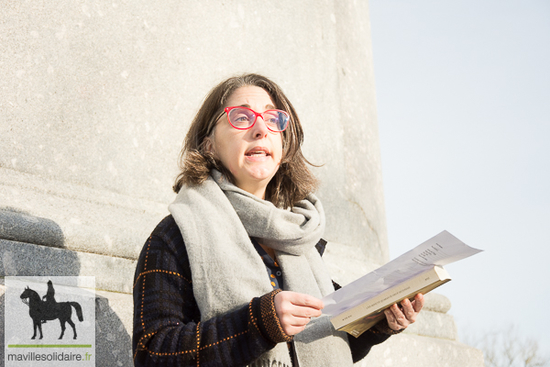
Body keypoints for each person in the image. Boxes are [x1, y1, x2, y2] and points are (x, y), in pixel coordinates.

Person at [132, 73, 424, 367]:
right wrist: (257, 323)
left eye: (273, 119)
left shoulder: (298, 236)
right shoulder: (176, 235)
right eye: (242, 117)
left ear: (283, 148)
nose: (261, 129)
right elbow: (152, 354)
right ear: (209, 145)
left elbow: (321, 343)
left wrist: (379, 322)